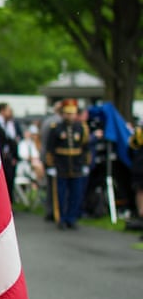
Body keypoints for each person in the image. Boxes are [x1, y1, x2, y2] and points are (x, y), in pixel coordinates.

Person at [44, 98, 91, 230]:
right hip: (61, 165)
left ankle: (72, 217)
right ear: (63, 113)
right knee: (61, 194)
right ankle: (62, 218)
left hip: (76, 165)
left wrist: (86, 163)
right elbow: (50, 148)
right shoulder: (56, 128)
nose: (70, 116)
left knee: (76, 194)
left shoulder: (81, 128)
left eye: (72, 113)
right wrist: (51, 165)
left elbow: (85, 147)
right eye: (67, 113)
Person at [0, 102, 20, 196]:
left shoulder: (12, 124)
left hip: (10, 158)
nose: (11, 113)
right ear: (2, 111)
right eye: (9, 110)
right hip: (0, 157)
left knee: (9, 184)